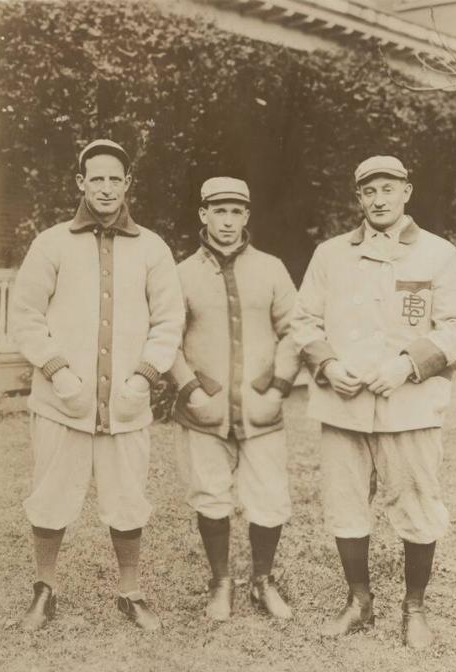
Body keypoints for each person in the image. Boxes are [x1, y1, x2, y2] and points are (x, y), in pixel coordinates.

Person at [291, 155, 456, 648]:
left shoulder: (438, 254)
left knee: (416, 505)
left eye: (388, 188)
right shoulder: (330, 254)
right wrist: (328, 365)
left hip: (409, 407)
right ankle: (359, 601)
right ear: (358, 198)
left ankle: (414, 608)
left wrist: (407, 365)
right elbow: (302, 320)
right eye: (369, 190)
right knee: (345, 504)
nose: (379, 199)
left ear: (406, 192)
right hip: (344, 406)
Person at [12, 139, 185, 631]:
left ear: (128, 184)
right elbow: (25, 316)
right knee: (51, 494)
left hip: (127, 404)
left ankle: (130, 591)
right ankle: (45, 587)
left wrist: (143, 376)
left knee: (127, 497)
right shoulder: (51, 242)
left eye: (116, 178)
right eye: (97, 178)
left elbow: (169, 320)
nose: (106, 188)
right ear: (80, 182)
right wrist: (57, 370)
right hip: (61, 402)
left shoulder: (152, 247)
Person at [169, 177, 300, 621]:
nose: (227, 220)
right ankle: (221, 582)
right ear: (203, 214)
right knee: (211, 494)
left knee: (269, 495)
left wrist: (278, 387)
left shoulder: (271, 268)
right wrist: (191, 389)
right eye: (218, 211)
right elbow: (166, 339)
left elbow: (294, 331)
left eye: (236, 211)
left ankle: (263, 582)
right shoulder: (181, 273)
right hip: (205, 410)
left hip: (262, 409)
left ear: (247, 216)